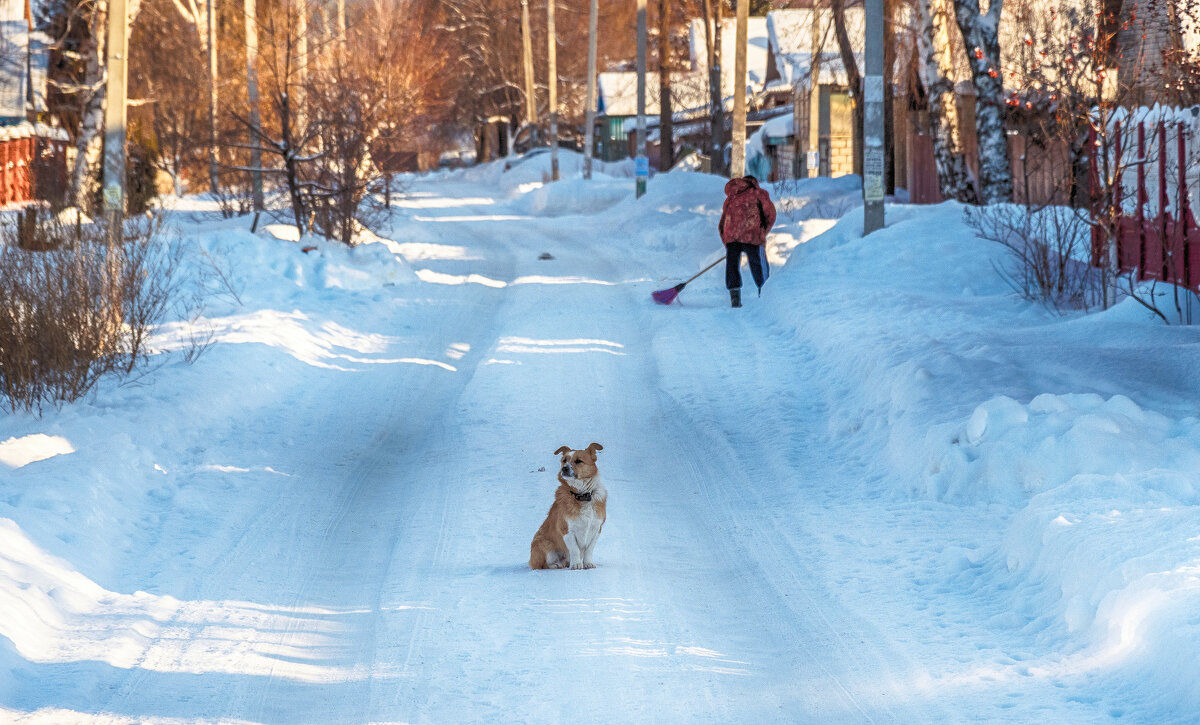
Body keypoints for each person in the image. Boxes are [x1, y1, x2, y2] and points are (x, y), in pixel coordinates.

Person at [718, 175, 776, 308]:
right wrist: (762, 232)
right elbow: (770, 215)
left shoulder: (731, 197)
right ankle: (765, 293)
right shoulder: (758, 193)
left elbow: (722, 223)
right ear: (754, 182)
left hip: (732, 235)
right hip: (752, 234)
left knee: (732, 265)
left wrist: (727, 240)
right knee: (758, 264)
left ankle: (735, 297)